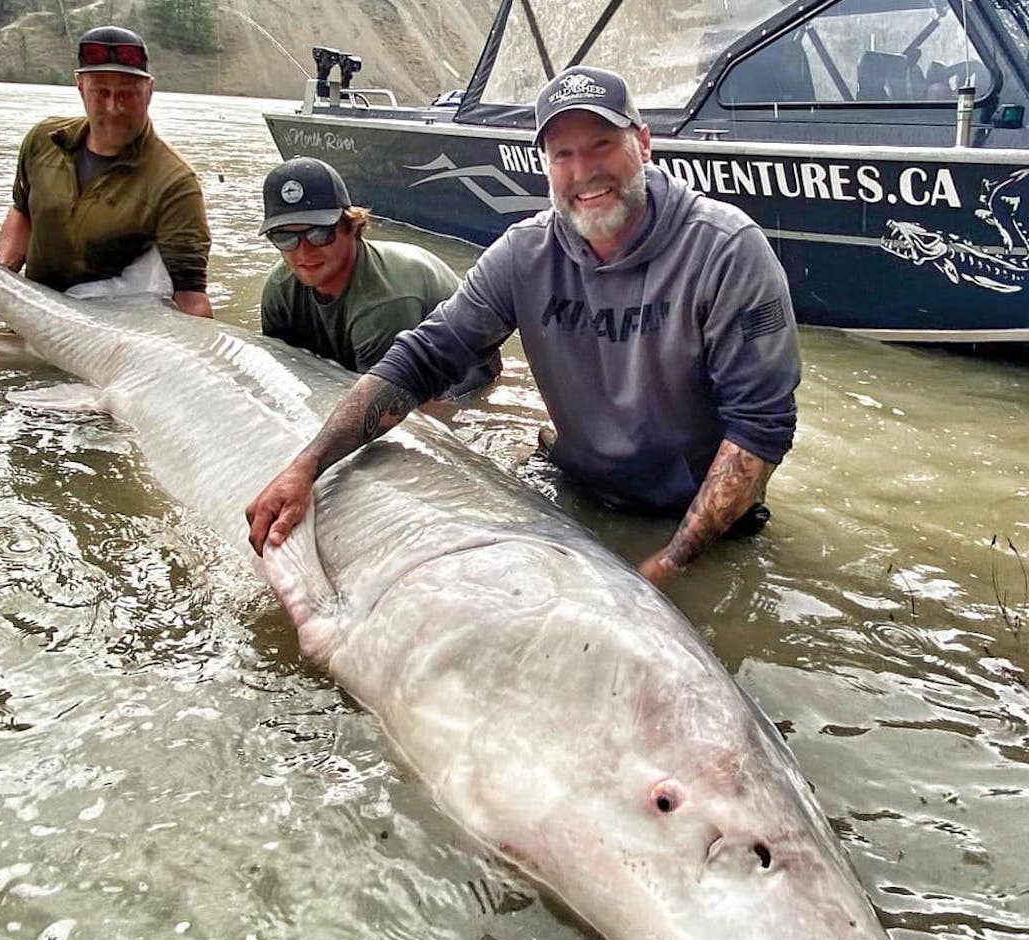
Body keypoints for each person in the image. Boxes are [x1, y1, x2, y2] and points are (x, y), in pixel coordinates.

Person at [246, 66, 800, 588]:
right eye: (563, 154)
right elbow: (421, 360)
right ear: (545, 165)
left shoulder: (728, 249)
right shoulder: (523, 254)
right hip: (574, 491)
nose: (584, 171)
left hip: (703, 523)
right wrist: (307, 467)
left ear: (644, 142)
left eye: (601, 144)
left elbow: (760, 426)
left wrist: (670, 564)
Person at [0, 26, 212, 318]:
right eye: (101, 92)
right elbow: (23, 210)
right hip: (30, 317)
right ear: (80, 87)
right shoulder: (44, 140)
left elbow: (190, 296)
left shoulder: (176, 182)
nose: (114, 108)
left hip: (110, 333)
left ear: (149, 91)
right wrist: (1, 269)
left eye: (127, 94)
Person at [258, 157, 500, 394]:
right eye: (284, 238)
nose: (304, 251)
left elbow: (385, 406)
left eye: (319, 234)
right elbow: (282, 373)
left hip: (459, 377)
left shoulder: (385, 301)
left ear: (352, 226)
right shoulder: (279, 289)